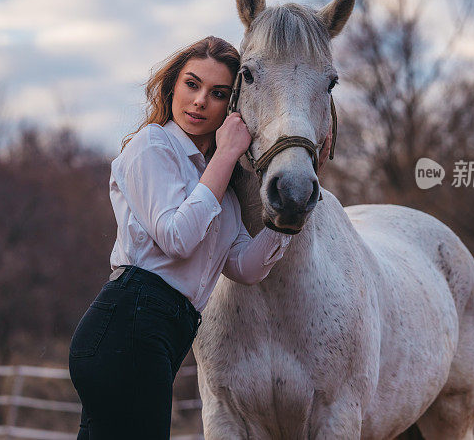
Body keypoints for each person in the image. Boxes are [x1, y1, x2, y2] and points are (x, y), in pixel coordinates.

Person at [67, 36, 331, 439]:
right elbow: (177, 237)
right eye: (192, 84)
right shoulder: (152, 146)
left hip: (164, 333)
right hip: (127, 322)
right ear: (173, 85)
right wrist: (226, 155)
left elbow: (244, 267)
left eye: (218, 93)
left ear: (233, 105)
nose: (200, 101)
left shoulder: (219, 192)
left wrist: (287, 218)